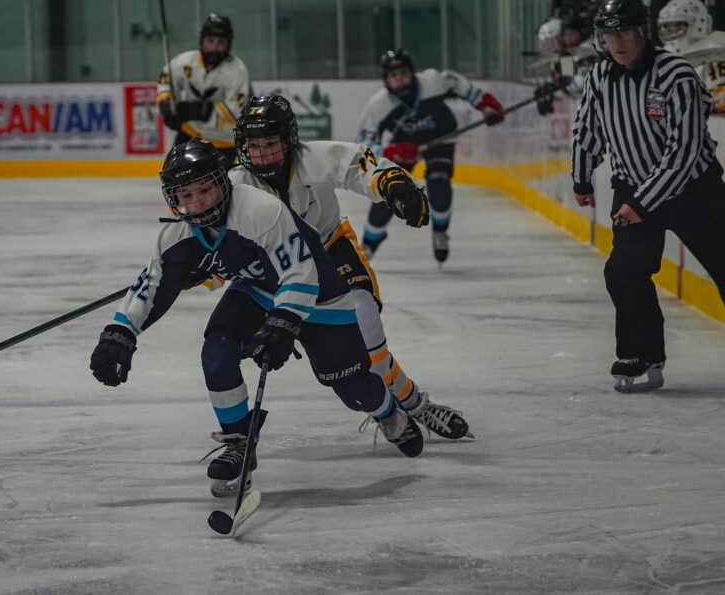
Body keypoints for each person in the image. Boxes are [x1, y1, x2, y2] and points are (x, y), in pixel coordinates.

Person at [89, 140, 425, 495]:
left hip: (324, 295)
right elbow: (152, 284)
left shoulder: (260, 210)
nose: (198, 202)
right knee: (217, 349)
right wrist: (120, 330)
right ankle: (238, 443)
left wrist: (283, 321)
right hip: (259, 290)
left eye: (205, 189)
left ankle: (389, 412)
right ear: (173, 199)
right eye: (185, 195)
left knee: (352, 388)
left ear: (223, 182)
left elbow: (300, 273)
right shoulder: (177, 235)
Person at [570, 0, 725, 393]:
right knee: (623, 271)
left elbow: (684, 152)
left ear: (643, 32)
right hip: (632, 188)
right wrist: (582, 177)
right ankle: (643, 356)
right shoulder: (599, 76)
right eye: (610, 34)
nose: (618, 42)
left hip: (696, 191)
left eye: (626, 31)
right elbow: (587, 129)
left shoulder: (677, 75)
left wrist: (641, 203)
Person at [224, 94, 471, 446]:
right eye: (254, 145)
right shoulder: (236, 183)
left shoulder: (313, 158)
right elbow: (214, 233)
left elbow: (359, 165)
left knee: (366, 325)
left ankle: (415, 404)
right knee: (346, 360)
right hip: (276, 269)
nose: (262, 154)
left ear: (290, 140)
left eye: (271, 144)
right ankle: (386, 404)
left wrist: (393, 184)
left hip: (330, 247)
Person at [357, 49, 506, 265]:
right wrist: (392, 152)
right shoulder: (378, 106)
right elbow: (365, 147)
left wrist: (484, 104)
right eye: (393, 75)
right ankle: (370, 243)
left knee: (439, 181)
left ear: (412, 73)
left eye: (403, 73)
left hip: (440, 137)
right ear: (386, 79)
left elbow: (458, 84)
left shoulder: (433, 82)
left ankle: (440, 232)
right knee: (389, 191)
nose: (399, 79)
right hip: (404, 145)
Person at [156, 14, 251, 164]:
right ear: (202, 41)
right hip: (190, 132)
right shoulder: (185, 61)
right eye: (210, 41)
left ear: (229, 44)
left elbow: (236, 111)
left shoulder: (237, 71)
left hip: (224, 141)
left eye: (221, 42)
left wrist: (202, 111)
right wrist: (166, 103)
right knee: (175, 177)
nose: (214, 47)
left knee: (216, 185)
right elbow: (166, 80)